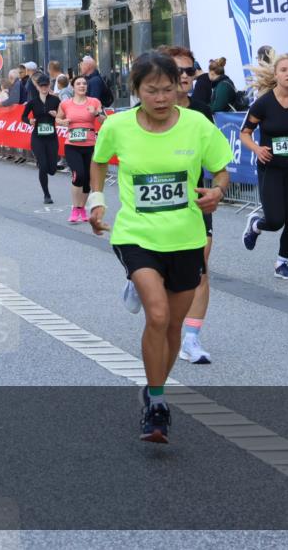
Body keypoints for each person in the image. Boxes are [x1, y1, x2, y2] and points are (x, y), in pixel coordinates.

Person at [89, 51, 231, 442]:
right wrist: (95, 199)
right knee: (157, 313)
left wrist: (217, 192)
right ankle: (156, 405)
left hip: (186, 236)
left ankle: (154, 388)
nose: (161, 97)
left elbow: (222, 170)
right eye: (151, 90)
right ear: (135, 89)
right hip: (136, 233)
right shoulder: (117, 126)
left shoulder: (197, 125)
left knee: (172, 325)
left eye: (168, 89)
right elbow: (99, 162)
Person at [163, 45, 221, 365]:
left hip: (196, 198)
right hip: (158, 200)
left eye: (190, 70)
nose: (186, 76)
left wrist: (219, 188)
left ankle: (192, 339)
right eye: (179, 71)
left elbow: (215, 158)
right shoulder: (148, 109)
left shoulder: (202, 110)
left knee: (199, 269)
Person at [240, 54, 288, 280]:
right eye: (284, 70)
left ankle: (282, 263)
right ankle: (256, 225)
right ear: (276, 75)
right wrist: (257, 149)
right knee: (275, 220)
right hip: (270, 166)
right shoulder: (263, 103)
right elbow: (245, 133)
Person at [56, 75, 103, 223]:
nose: (82, 86)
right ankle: (75, 208)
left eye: (84, 84)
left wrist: (96, 113)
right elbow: (57, 119)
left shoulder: (94, 102)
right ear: (73, 87)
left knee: (88, 179)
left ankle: (81, 208)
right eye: (78, 83)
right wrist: (63, 122)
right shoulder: (66, 104)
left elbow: (104, 120)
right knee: (78, 175)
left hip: (90, 145)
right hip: (72, 145)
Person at [22, 73, 60, 204]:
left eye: (46, 85)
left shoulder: (55, 100)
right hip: (37, 137)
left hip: (51, 137)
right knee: (43, 166)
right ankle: (47, 195)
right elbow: (23, 117)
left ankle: (47, 165)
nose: (44, 88)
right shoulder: (32, 102)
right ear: (37, 87)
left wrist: (57, 115)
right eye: (41, 86)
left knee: (52, 170)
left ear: (49, 86)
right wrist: (30, 121)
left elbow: (63, 115)